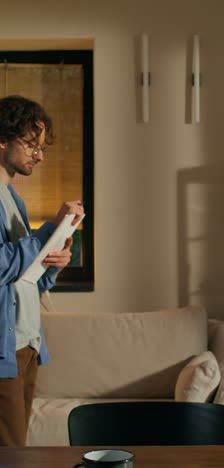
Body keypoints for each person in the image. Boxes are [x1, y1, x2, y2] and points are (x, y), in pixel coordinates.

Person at [0, 95, 84, 446]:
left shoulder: (12, 198)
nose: (39, 155)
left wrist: (54, 261)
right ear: (2, 138)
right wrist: (49, 230)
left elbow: (23, 275)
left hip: (27, 342)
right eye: (31, 145)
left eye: (41, 147)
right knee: (10, 452)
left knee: (18, 452)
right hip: (5, 347)